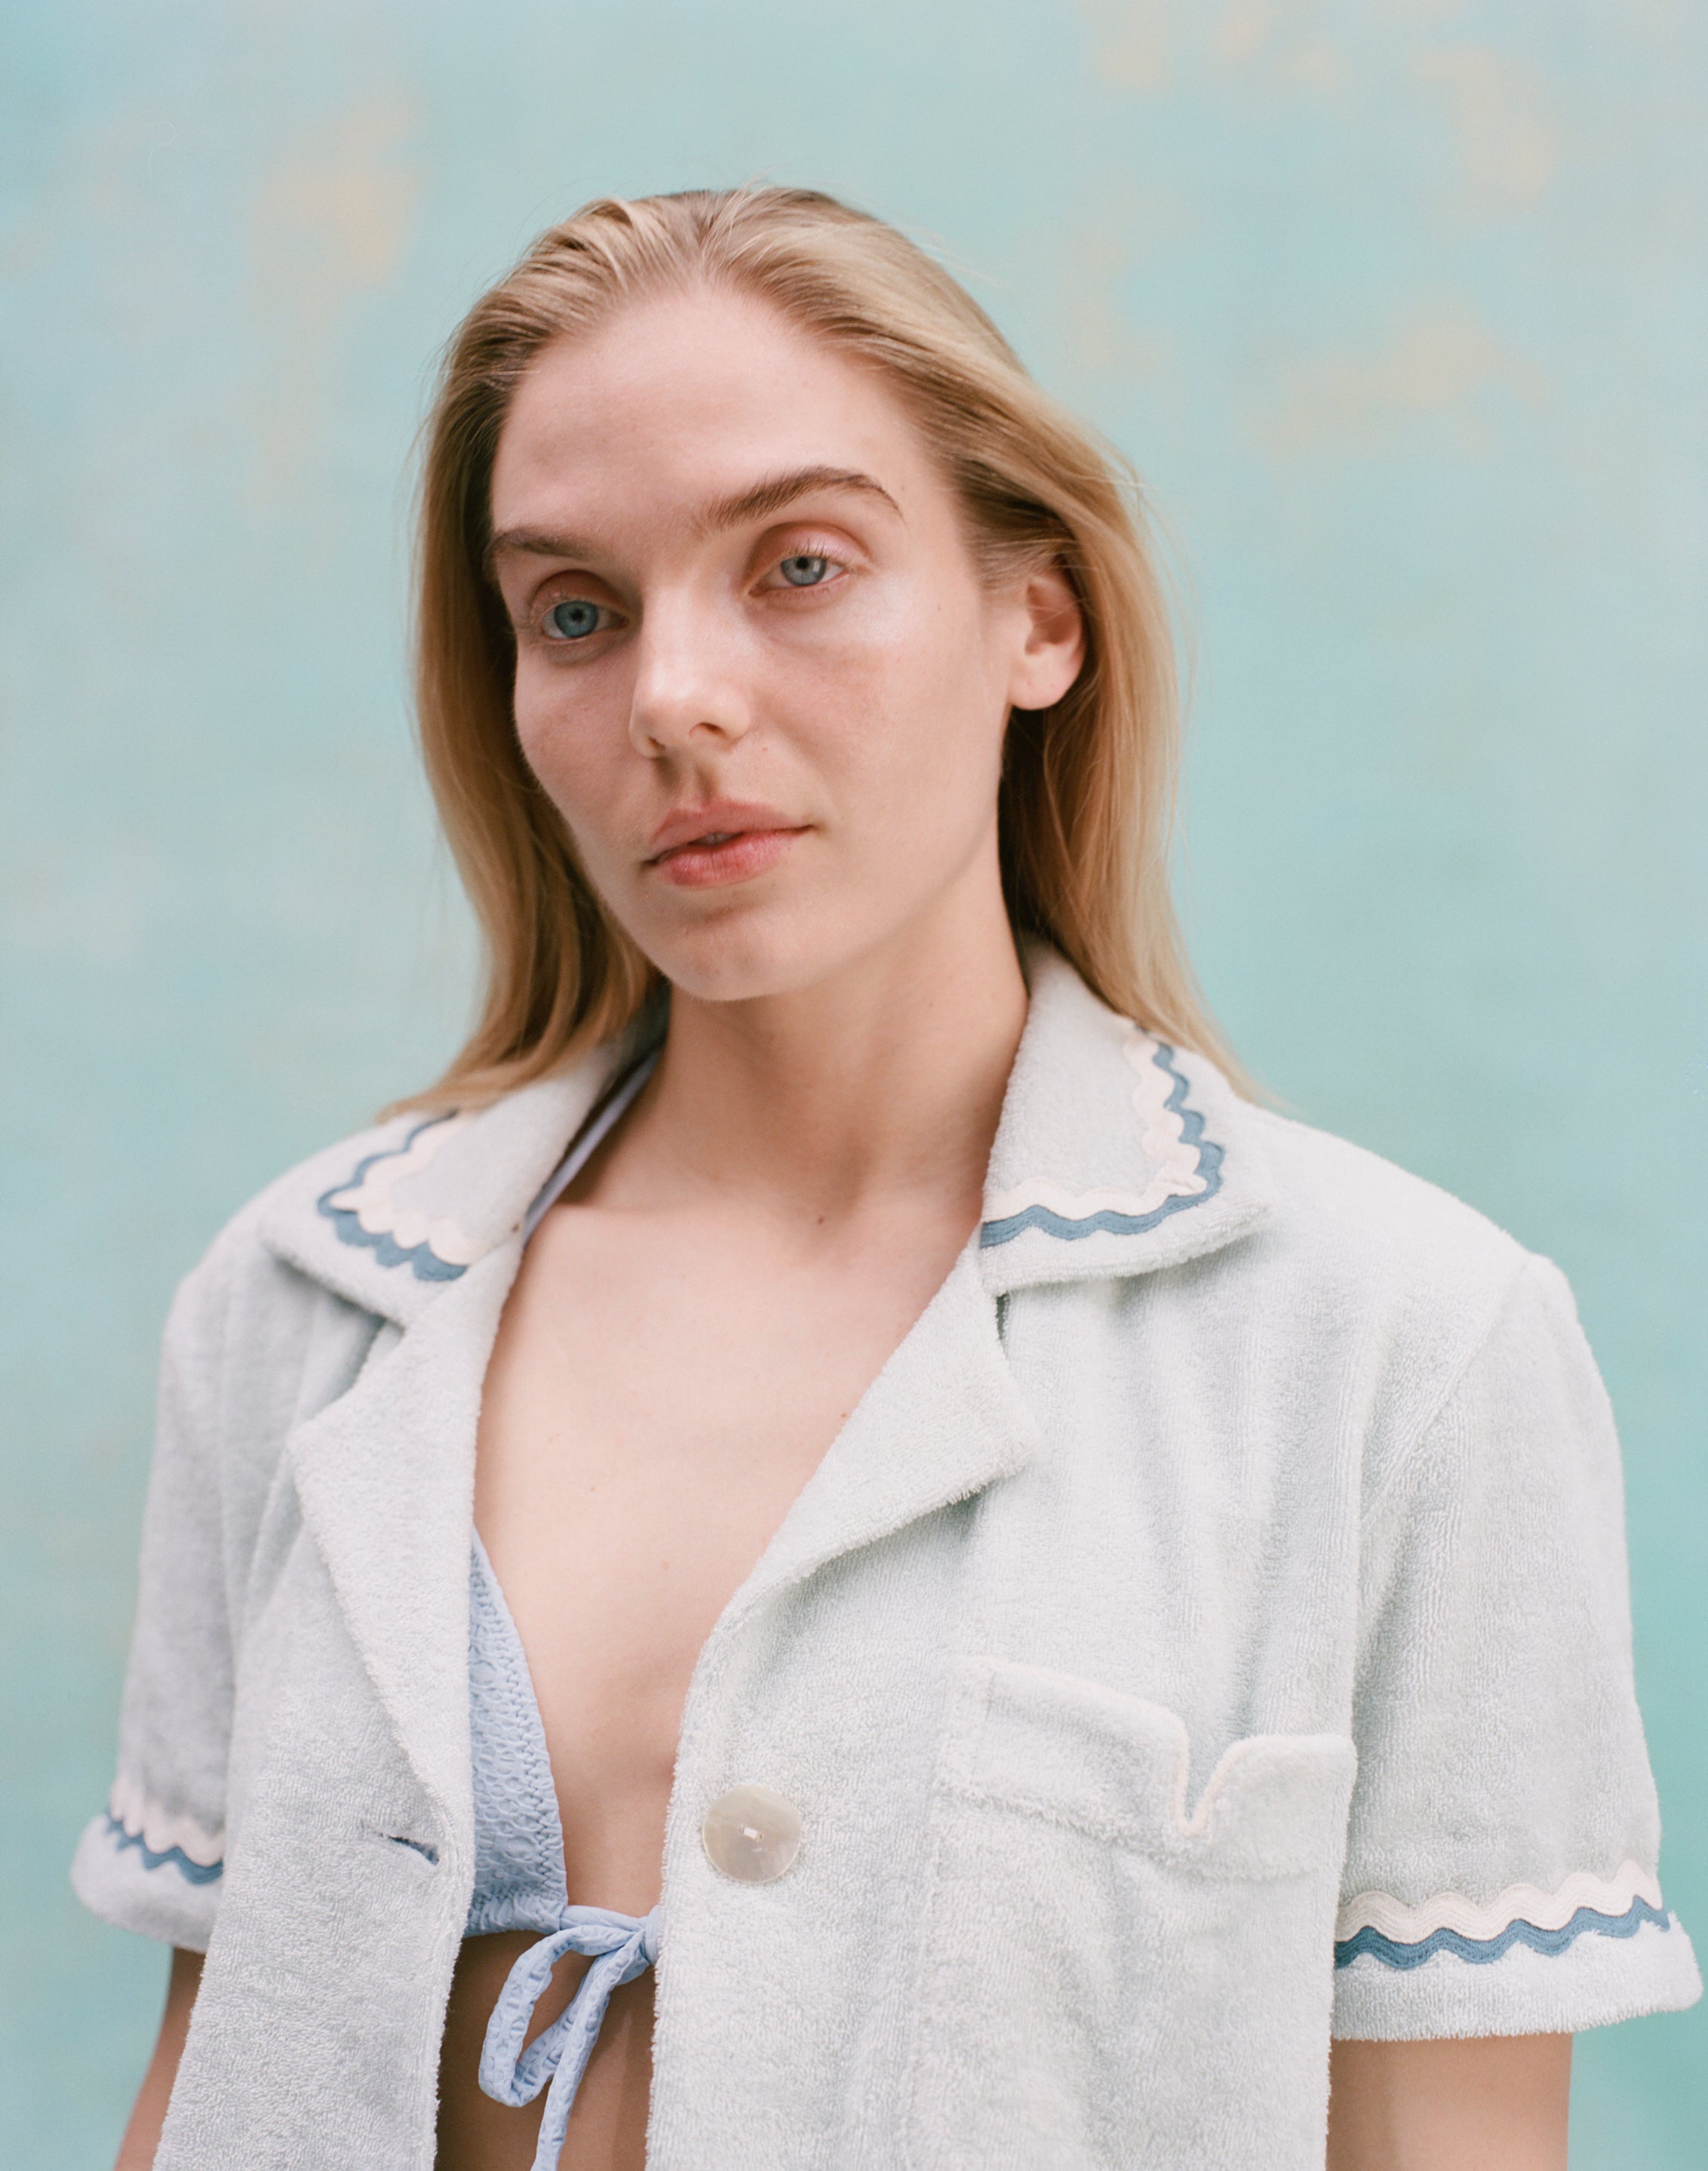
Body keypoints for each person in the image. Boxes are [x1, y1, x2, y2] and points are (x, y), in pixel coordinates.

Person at [75, 187, 1697, 2171]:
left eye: (802, 564)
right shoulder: (302, 1309)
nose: (674, 694)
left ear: (1039, 616)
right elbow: (200, 2076)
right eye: (573, 611)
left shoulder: (1399, 1349)